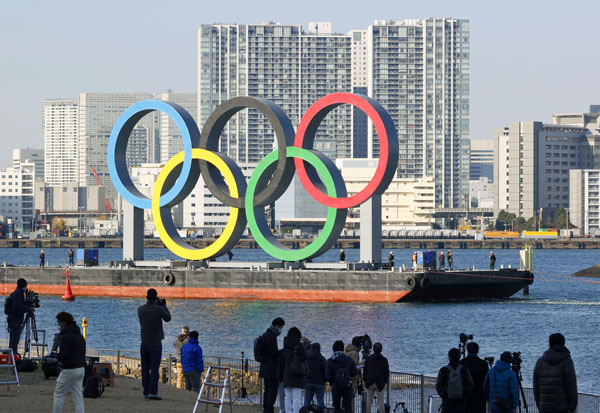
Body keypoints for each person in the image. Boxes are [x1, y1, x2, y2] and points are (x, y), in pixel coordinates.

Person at [137, 288, 171, 400]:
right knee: (154, 368)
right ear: (155, 297)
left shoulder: (140, 309)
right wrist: (163, 305)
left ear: (146, 297)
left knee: (145, 368)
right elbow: (168, 318)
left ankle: (145, 392)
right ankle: (153, 392)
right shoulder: (159, 309)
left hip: (144, 341)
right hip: (156, 342)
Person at [533, 333, 577, 413]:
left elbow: (536, 388)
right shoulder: (567, 361)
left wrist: (540, 405)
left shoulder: (540, 361)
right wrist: (572, 406)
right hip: (562, 407)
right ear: (563, 343)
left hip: (544, 408)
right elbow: (571, 385)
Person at [53, 311, 86, 413]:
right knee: (78, 396)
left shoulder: (66, 337)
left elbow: (64, 355)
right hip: (80, 368)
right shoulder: (79, 336)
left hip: (69, 369)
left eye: (58, 323)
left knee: (59, 394)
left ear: (63, 323)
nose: (58, 325)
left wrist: (56, 356)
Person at [259, 317, 285, 413]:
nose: (281, 330)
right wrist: (283, 351)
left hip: (264, 368)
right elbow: (273, 353)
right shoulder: (271, 336)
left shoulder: (266, 334)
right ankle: (269, 410)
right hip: (271, 370)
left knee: (267, 390)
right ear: (277, 325)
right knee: (272, 391)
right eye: (281, 327)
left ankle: (266, 409)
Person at [436, 348, 474, 413]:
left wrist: (444, 395)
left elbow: (439, 386)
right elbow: (470, 385)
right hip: (461, 403)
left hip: (447, 403)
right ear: (459, 357)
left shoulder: (444, 370)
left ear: (449, 357)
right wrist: (464, 395)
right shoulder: (464, 370)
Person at [326, 340, 358, 413]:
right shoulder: (349, 360)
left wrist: (332, 383)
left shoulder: (330, 361)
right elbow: (355, 372)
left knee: (336, 407)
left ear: (333, 349)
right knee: (348, 407)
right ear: (343, 349)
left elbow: (328, 376)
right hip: (347, 386)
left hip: (336, 386)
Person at [281, 327, 307, 413]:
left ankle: (287, 411)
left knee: (287, 396)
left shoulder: (285, 344)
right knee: (297, 396)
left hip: (287, 373)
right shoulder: (299, 344)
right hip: (297, 373)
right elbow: (305, 357)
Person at [459, 342, 489, 413]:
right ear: (478, 351)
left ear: (467, 350)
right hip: (480, 396)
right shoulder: (483, 364)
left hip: (465, 396)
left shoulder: (461, 363)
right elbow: (487, 382)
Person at [6, 278, 32, 356]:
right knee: (15, 339)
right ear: (24, 286)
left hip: (13, 319)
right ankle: (13, 355)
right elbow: (18, 306)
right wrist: (28, 308)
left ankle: (12, 354)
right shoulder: (18, 293)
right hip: (15, 319)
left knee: (14, 338)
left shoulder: (16, 293)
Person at [363, 342, 390, 413]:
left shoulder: (368, 359)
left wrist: (365, 381)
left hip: (370, 382)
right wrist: (385, 381)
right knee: (380, 402)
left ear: (373, 349)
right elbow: (386, 373)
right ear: (381, 350)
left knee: (369, 402)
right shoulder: (384, 360)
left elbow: (365, 371)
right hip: (380, 383)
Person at [304, 342, 326, 410]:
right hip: (319, 382)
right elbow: (325, 370)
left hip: (308, 382)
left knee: (307, 402)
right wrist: (324, 380)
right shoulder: (322, 358)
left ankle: (306, 410)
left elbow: (304, 369)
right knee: (320, 403)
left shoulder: (306, 357)